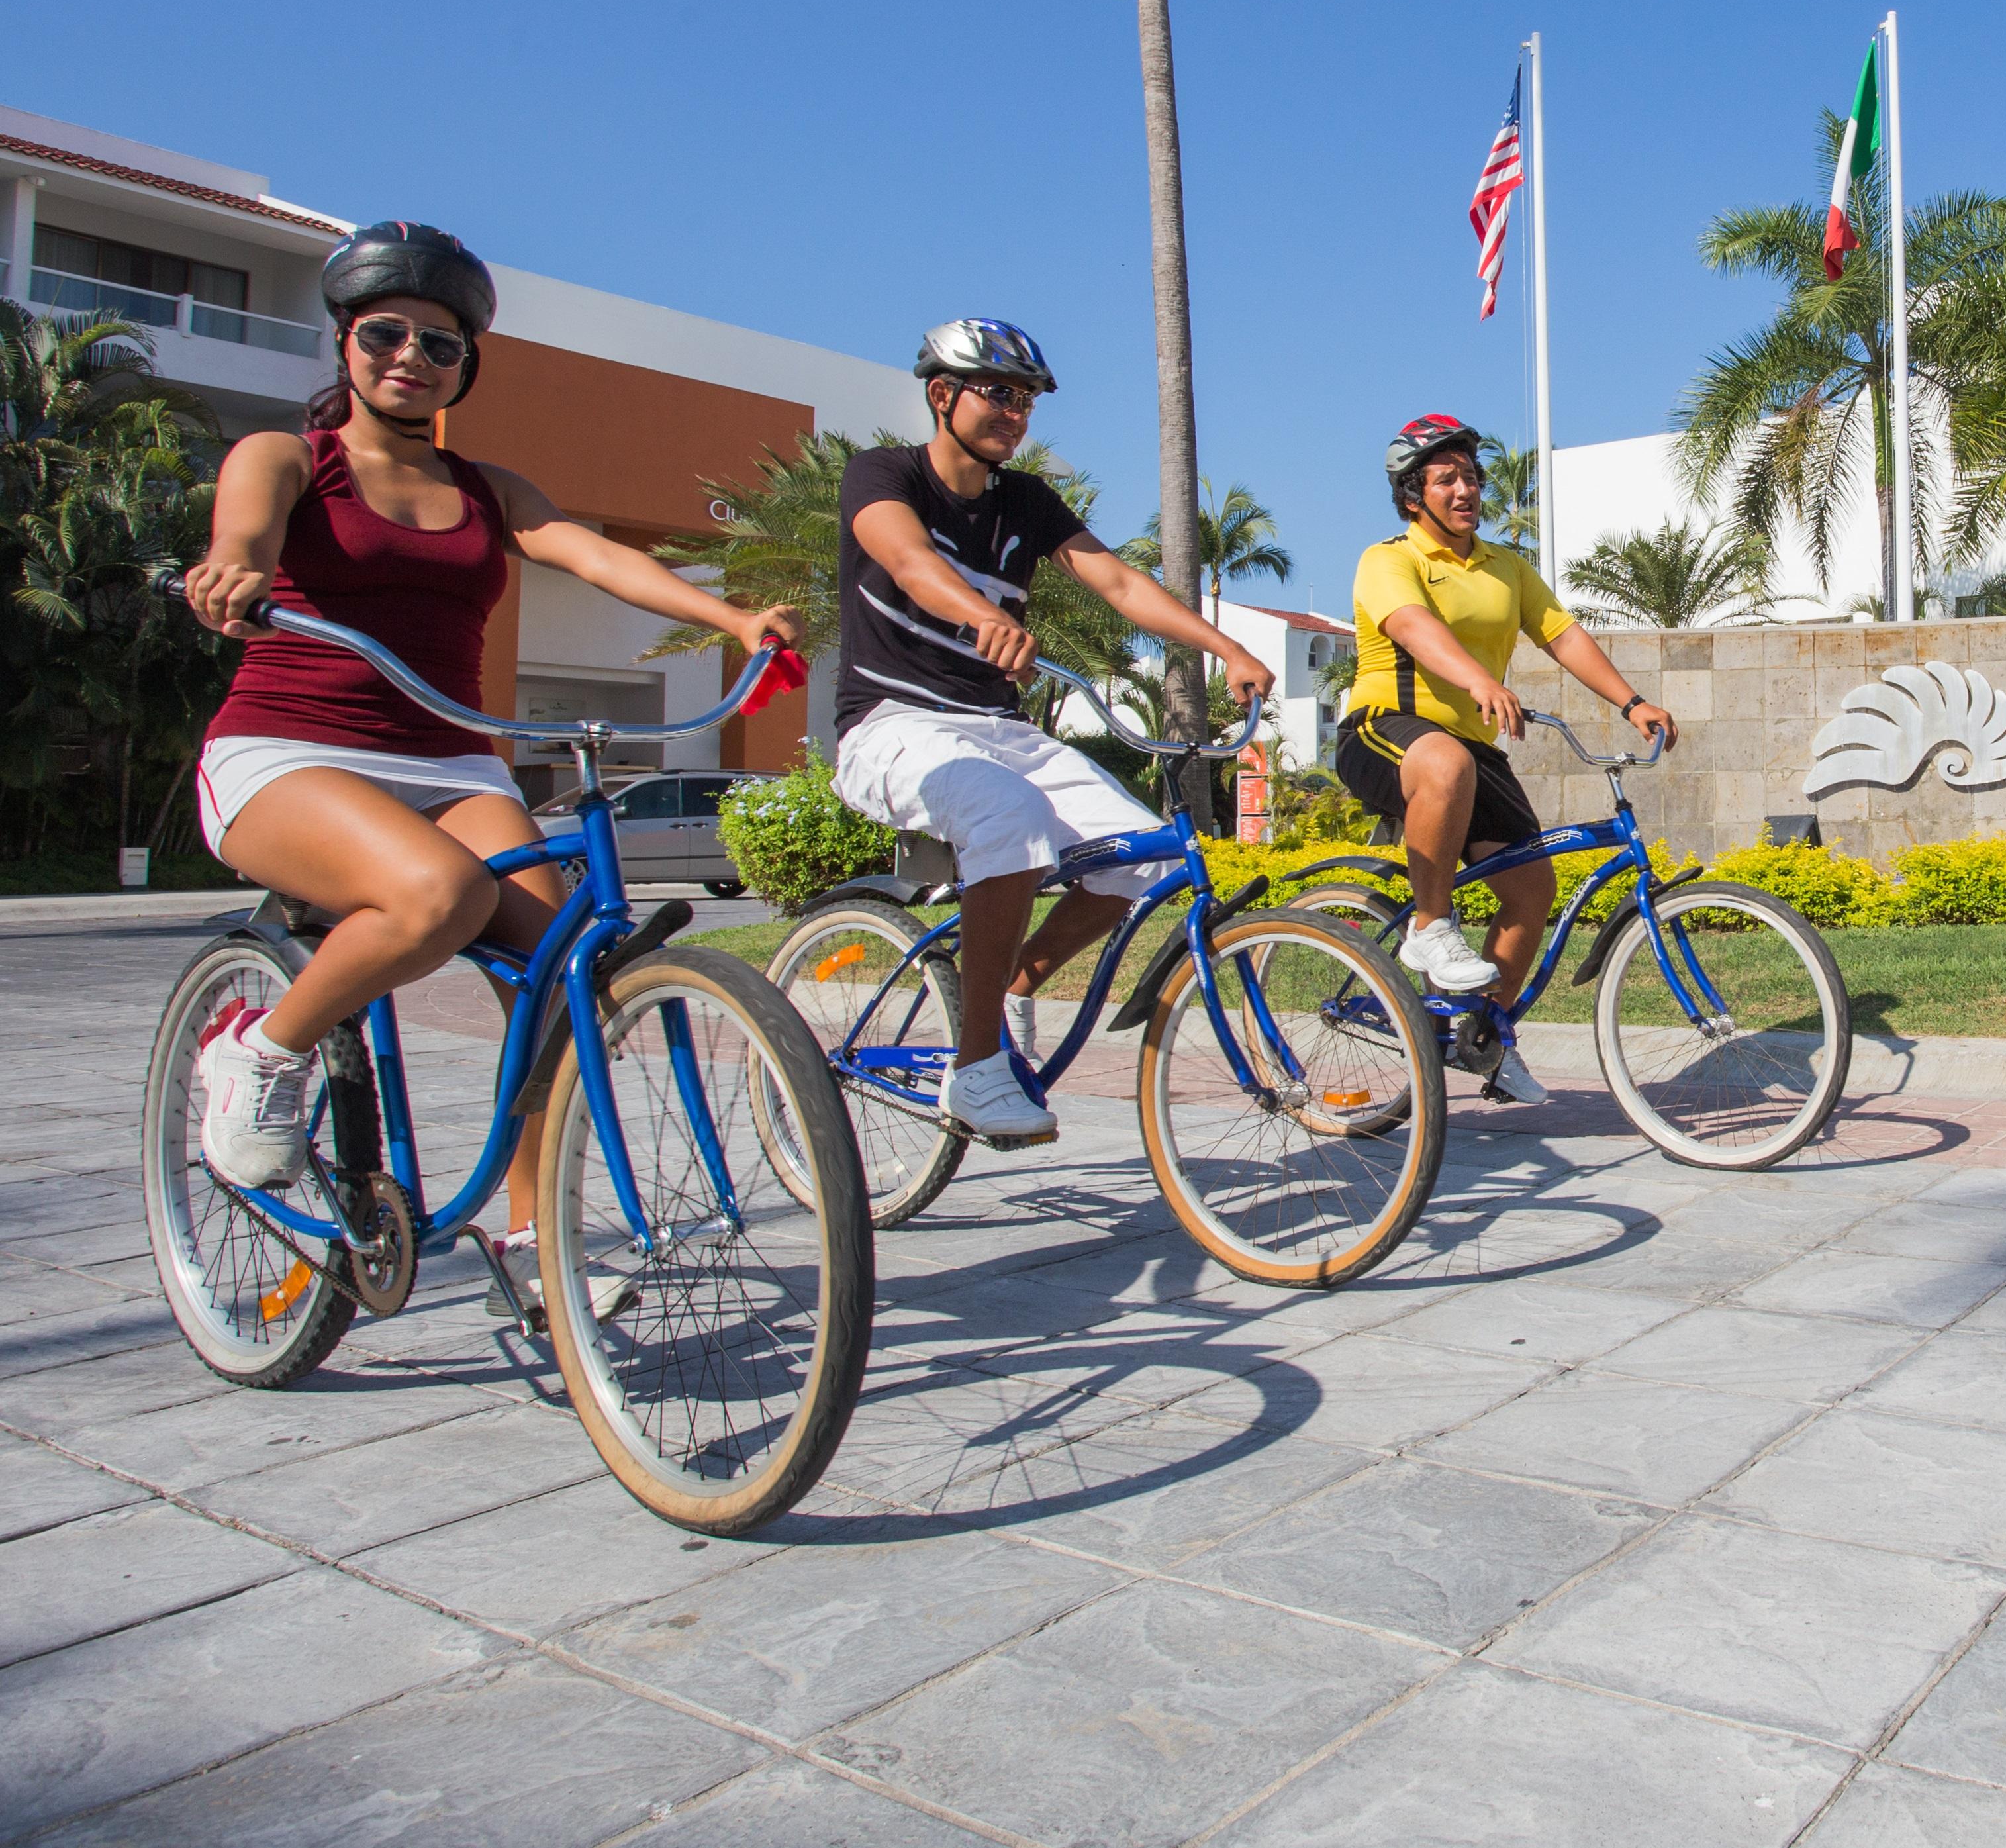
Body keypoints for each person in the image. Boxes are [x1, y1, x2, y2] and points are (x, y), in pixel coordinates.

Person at [183, 222, 804, 1322]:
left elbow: (597, 555)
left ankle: (534, 1240)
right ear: (345, 341)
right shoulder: (289, 459)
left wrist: (734, 617)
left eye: (442, 342)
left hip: (449, 750)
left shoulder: (490, 487)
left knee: (560, 965)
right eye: (386, 333)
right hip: (288, 747)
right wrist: (235, 569)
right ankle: (263, 1052)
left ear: (467, 365)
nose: (411, 356)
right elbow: (245, 532)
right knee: (437, 893)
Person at [831, 318, 1272, 1147]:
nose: (1016, 412)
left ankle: (1013, 982)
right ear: (942, 394)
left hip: (997, 728)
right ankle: (976, 1065)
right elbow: (910, 561)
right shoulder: (882, 473)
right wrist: (978, 616)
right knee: (1010, 816)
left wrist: (1227, 645)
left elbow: (1113, 578)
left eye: (1026, 399)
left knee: (1153, 856)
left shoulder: (1025, 501)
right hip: (891, 725)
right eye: (999, 393)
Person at [1331, 414, 1676, 1102]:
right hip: (1386, 729)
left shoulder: (1506, 566)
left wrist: (1632, 702)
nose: (1465, 488)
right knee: (1445, 763)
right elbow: (1413, 626)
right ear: (1411, 495)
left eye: (1472, 476)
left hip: (1468, 749)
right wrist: (1479, 680)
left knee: (1530, 890)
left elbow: (1563, 635)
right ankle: (1430, 928)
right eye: (1446, 477)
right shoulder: (1389, 558)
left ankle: (1482, 1039)